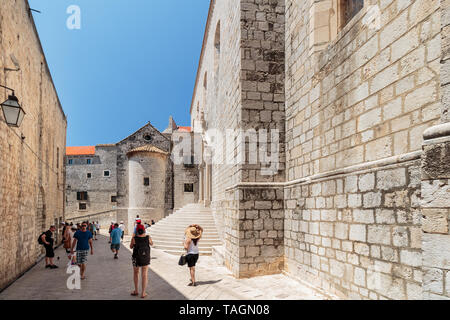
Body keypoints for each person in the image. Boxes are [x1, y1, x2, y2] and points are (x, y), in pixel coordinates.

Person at [130, 224, 153, 298]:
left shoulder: (134, 238)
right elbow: (152, 244)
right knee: (144, 274)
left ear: (137, 231)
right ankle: (143, 293)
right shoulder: (148, 237)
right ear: (144, 230)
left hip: (136, 258)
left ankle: (136, 290)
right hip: (145, 257)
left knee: (136, 273)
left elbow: (131, 246)